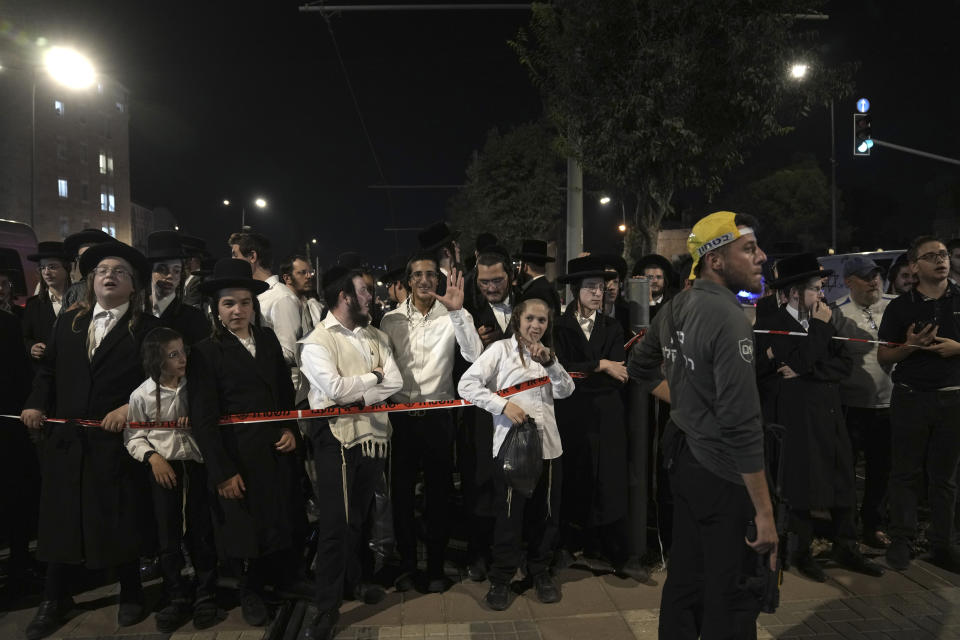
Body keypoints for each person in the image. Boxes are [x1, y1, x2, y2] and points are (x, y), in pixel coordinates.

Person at [628, 211, 775, 638]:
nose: (761, 257)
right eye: (748, 249)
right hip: (723, 472)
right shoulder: (731, 320)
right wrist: (764, 513)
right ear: (714, 259)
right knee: (730, 596)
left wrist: (687, 402)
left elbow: (640, 367)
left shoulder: (678, 305)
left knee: (687, 578)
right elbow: (742, 425)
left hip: (684, 462)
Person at [21, 241, 160, 639]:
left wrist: (129, 409)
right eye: (101, 271)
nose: (109, 275)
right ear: (91, 281)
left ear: (134, 286)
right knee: (60, 519)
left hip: (115, 442)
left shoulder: (147, 329)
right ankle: (55, 597)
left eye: (119, 271)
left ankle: (131, 590)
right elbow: (47, 373)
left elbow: (161, 381)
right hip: (66, 441)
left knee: (121, 514)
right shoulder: (69, 323)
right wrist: (34, 404)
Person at [188, 258, 305, 626]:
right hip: (238, 455)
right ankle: (249, 589)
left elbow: (285, 394)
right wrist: (222, 472)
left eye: (244, 302)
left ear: (254, 306)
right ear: (216, 309)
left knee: (280, 516)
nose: (237, 310)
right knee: (245, 529)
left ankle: (283, 579)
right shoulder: (205, 352)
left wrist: (290, 430)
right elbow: (204, 420)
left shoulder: (268, 340)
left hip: (276, 448)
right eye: (228, 304)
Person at [755, 253, 883, 582]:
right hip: (795, 416)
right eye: (814, 288)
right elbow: (792, 360)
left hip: (829, 411)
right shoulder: (774, 322)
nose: (821, 294)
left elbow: (841, 364)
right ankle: (800, 551)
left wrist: (808, 368)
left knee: (842, 478)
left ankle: (846, 545)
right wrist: (815, 341)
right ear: (795, 292)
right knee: (800, 483)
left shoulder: (823, 321)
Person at [297, 266, 402, 640]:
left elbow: (396, 382)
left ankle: (353, 583)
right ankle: (325, 609)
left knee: (358, 518)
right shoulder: (317, 342)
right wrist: (372, 379)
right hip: (336, 438)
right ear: (344, 296)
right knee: (335, 526)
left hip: (374, 435)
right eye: (364, 291)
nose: (371, 296)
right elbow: (336, 390)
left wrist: (364, 389)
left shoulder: (375, 335)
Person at [458, 298, 575, 610]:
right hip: (512, 448)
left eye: (542, 321)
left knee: (546, 516)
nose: (536, 326)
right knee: (509, 518)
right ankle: (501, 579)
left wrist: (551, 364)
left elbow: (565, 392)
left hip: (549, 447)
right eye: (530, 319)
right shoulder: (499, 351)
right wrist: (502, 405)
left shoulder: (549, 355)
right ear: (518, 321)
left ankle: (540, 572)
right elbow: (466, 385)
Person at [380, 250, 483, 593]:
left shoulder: (452, 316)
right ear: (408, 281)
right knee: (402, 496)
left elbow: (474, 355)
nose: (425, 280)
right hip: (401, 419)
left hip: (439, 416)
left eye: (431, 275)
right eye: (418, 275)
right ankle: (409, 565)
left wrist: (458, 313)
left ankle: (436, 567)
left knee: (439, 495)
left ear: (438, 281)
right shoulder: (390, 320)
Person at [553, 255, 644, 580]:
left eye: (601, 288)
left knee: (609, 481)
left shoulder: (613, 325)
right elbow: (559, 369)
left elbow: (619, 371)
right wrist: (599, 365)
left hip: (607, 416)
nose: (597, 293)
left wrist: (593, 368)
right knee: (574, 478)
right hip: (571, 416)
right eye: (590, 287)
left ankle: (614, 550)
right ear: (576, 290)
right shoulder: (559, 326)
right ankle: (567, 544)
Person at [125, 327, 218, 632]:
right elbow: (134, 435)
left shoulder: (197, 387)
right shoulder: (140, 395)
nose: (182, 359)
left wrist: (196, 421)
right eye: (173, 354)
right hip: (164, 469)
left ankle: (206, 593)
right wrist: (153, 458)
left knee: (201, 530)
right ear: (157, 360)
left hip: (195, 466)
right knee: (168, 535)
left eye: (183, 351)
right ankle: (176, 594)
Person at [878, 236, 960, 572]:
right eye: (931, 256)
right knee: (905, 473)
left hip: (953, 397)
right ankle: (902, 540)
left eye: (943, 254)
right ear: (914, 266)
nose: (941, 260)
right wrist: (910, 346)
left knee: (945, 477)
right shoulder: (900, 307)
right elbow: (884, 357)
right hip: (911, 397)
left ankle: (942, 544)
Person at [460, 247, 517, 581]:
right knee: (479, 484)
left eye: (497, 280)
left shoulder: (526, 307)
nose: (491, 288)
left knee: (513, 482)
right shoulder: (467, 309)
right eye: (484, 282)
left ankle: (510, 551)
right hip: (480, 414)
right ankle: (478, 553)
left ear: (509, 274)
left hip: (518, 410)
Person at [834, 256, 896, 549]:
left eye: (876, 275)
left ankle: (874, 525)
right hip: (852, 406)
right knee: (846, 473)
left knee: (881, 471)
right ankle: (844, 531)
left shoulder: (894, 306)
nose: (874, 281)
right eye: (865, 276)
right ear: (849, 281)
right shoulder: (838, 314)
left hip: (890, 405)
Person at [146, 231, 209, 345]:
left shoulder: (194, 319)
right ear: (150, 271)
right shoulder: (136, 313)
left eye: (176, 270)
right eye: (162, 269)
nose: (170, 276)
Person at [272, 253, 316, 390]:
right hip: (293, 383)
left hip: (305, 381)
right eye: (302, 273)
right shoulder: (285, 300)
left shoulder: (301, 301)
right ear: (287, 278)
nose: (308, 276)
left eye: (310, 272)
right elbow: (289, 352)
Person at [22, 242, 71, 362]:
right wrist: (31, 347)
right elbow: (24, 337)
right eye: (42, 268)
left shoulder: (81, 301)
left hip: (73, 370)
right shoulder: (33, 305)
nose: (46, 272)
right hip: (45, 371)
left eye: (52, 267)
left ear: (67, 268)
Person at [228, 230, 282, 322]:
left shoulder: (281, 298)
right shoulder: (251, 294)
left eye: (235, 256)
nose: (232, 261)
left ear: (252, 257)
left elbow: (285, 337)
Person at [61, 228, 112, 310]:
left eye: (91, 255)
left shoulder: (118, 286)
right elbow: (61, 322)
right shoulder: (74, 292)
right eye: (82, 257)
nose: (86, 261)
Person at [516, 238, 561, 315]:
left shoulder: (533, 293)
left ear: (525, 266)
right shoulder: (549, 288)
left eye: (519, 265)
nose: (518, 269)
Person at [632, 254, 678, 320]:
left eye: (659, 277)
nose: (655, 281)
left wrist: (651, 302)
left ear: (665, 281)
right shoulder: (634, 304)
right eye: (650, 277)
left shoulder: (674, 303)